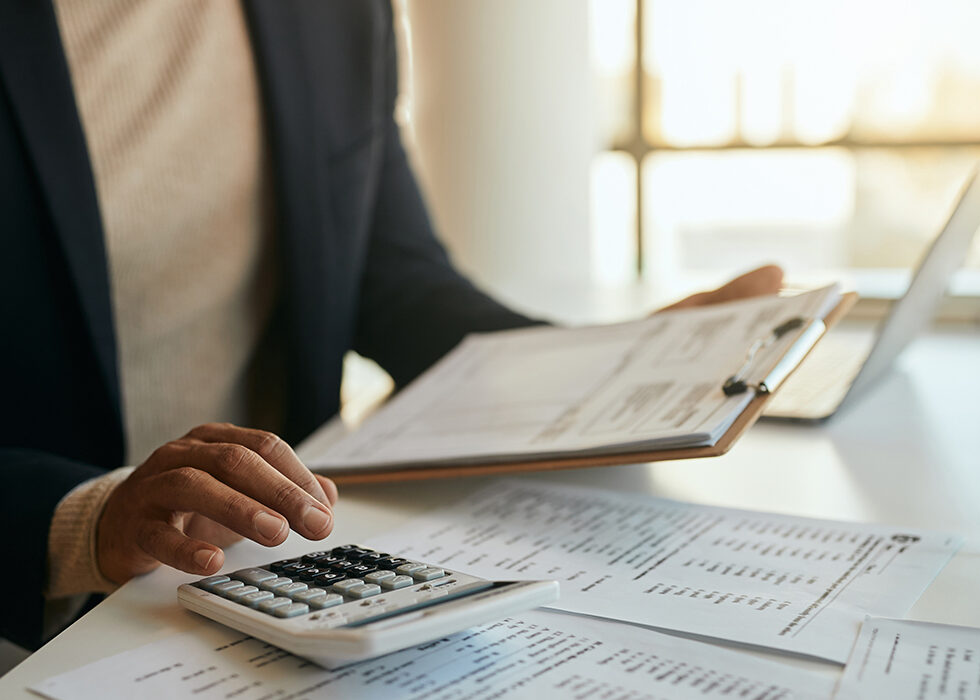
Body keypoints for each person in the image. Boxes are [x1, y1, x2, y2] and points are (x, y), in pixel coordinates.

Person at [0, 0, 782, 651]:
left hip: (282, 597)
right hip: (43, 619)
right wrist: (84, 517)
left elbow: (397, 285)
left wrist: (621, 361)